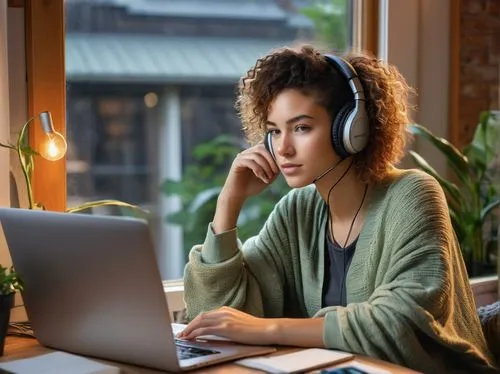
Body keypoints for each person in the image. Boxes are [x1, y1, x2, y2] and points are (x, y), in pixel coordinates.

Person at [178, 44, 497, 373]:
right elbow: (215, 318)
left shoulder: (412, 193)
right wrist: (229, 202)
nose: (282, 148)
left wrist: (270, 329)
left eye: (301, 128)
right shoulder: (297, 211)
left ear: (350, 130)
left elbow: (399, 321)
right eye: (274, 131)